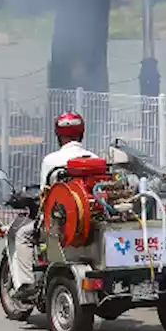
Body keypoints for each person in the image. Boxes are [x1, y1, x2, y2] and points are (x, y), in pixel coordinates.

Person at [8, 111, 97, 301]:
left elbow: (45, 196)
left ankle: (26, 284)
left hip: (60, 226)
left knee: (23, 234)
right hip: (91, 221)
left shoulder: (51, 160)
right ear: (81, 132)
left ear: (58, 135)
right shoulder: (94, 157)